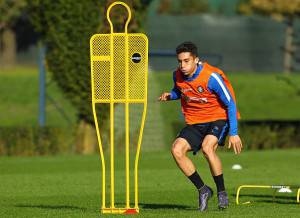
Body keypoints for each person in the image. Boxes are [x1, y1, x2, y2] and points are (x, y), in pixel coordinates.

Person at [158, 41, 243, 211]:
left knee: (207, 148)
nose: (182, 65)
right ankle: (203, 190)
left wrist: (233, 133)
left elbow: (230, 103)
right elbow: (180, 91)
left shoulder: (211, 77)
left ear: (196, 60)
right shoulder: (177, 75)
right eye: (180, 61)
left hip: (217, 118)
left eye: (186, 61)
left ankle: (221, 192)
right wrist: (171, 95)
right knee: (176, 150)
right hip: (195, 121)